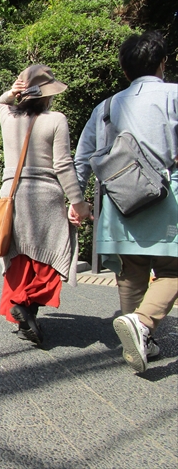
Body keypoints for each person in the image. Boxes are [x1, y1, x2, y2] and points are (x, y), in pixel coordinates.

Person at [71, 31, 177, 373]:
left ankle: (139, 341)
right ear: (162, 63)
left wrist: (77, 201)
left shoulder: (105, 107)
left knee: (131, 271)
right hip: (167, 199)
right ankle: (143, 324)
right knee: (173, 270)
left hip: (119, 202)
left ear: (125, 70)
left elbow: (82, 159)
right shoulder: (174, 96)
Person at [0, 65, 91, 344]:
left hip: (12, 195)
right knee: (48, 258)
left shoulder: (9, 117)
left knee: (19, 258)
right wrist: (78, 202)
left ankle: (24, 311)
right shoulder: (56, 119)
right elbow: (63, 164)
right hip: (45, 197)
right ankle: (26, 307)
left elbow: (2, 102)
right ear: (48, 95)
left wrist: (12, 92)